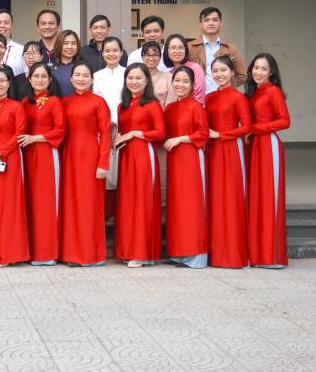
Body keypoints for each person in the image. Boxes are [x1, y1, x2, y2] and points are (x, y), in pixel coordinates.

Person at [113, 63, 166, 268]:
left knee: (142, 201)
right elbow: (122, 130)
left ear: (147, 81)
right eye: (130, 78)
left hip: (144, 155)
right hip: (126, 156)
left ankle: (143, 253)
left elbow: (161, 133)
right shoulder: (123, 105)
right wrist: (119, 136)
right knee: (127, 202)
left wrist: (136, 133)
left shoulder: (152, 104)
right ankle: (128, 249)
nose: (133, 82)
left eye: (138, 78)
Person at [60, 62, 111, 266]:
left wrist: (103, 163)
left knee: (89, 205)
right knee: (71, 205)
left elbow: (106, 134)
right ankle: (73, 254)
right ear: (71, 79)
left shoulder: (99, 102)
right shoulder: (65, 102)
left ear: (92, 79)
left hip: (90, 156)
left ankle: (91, 254)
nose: (81, 79)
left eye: (85, 75)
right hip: (69, 156)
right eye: (77, 75)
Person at [206, 56, 252, 269]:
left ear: (232, 72)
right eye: (215, 71)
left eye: (223, 70)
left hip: (232, 149)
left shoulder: (238, 97)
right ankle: (216, 253)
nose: (219, 75)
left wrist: (221, 134)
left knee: (232, 198)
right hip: (212, 151)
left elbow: (246, 127)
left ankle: (234, 254)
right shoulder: (209, 97)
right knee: (215, 199)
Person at [246, 53, 290, 268]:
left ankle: (272, 256)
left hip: (268, 146)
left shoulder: (273, 92)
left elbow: (284, 121)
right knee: (256, 199)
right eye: (255, 67)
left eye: (263, 69)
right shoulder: (253, 93)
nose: (258, 72)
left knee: (269, 198)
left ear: (271, 72)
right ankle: (257, 253)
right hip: (253, 146)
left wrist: (255, 129)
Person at [18, 62, 65, 266]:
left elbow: (60, 130)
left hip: (46, 153)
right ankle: (32, 250)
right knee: (30, 202)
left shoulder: (54, 102)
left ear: (50, 80)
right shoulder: (24, 102)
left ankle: (47, 253)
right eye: (35, 76)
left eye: (43, 76)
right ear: (29, 79)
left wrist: (36, 138)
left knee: (46, 203)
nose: (39, 80)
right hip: (27, 155)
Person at [0, 67, 30, 267]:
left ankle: (9, 253)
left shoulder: (16, 107)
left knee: (9, 206)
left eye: (2, 81)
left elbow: (19, 135)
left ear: (9, 83)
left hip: (9, 158)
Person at [164, 66, 210, 269]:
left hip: (191, 157)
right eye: (177, 80)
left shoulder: (196, 106)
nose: (180, 85)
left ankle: (196, 254)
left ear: (193, 85)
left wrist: (180, 139)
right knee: (177, 205)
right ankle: (179, 252)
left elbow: (203, 134)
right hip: (174, 160)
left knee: (192, 204)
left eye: (185, 81)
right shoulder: (170, 108)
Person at [92, 36, 126, 205]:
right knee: (107, 172)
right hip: (103, 129)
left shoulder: (128, 73)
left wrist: (119, 127)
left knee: (123, 172)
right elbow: (96, 102)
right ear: (102, 53)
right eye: (107, 51)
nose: (111, 54)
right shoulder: (96, 76)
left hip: (124, 129)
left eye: (115, 50)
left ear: (121, 52)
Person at [188, 7, 248, 94]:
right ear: (200, 24)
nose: (211, 23)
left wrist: (225, 85)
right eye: (206, 20)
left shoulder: (230, 48)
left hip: (222, 98)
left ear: (221, 23)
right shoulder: (190, 47)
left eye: (215, 20)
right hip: (197, 98)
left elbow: (242, 75)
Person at [163, 34, 205, 105]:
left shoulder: (195, 68)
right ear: (167, 51)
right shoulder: (169, 73)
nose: (177, 51)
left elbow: (199, 96)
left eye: (181, 48)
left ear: (185, 50)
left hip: (193, 110)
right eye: (173, 48)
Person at [141, 41, 171, 107]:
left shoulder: (169, 77)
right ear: (142, 57)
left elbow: (170, 105)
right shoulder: (137, 77)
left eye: (155, 55)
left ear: (160, 57)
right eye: (147, 55)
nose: (151, 58)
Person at [52, 30, 80, 97]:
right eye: (65, 43)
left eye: (73, 43)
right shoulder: (51, 69)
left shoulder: (82, 68)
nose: (70, 46)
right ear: (59, 45)